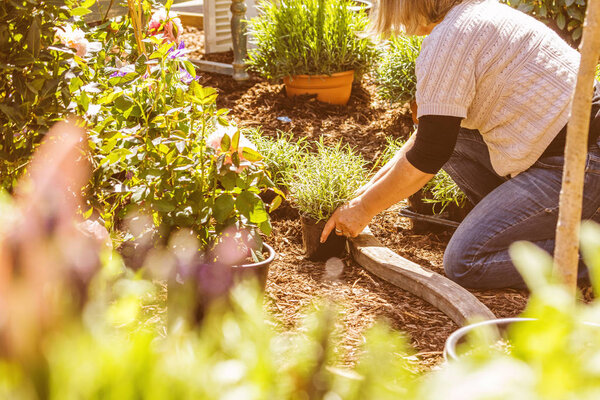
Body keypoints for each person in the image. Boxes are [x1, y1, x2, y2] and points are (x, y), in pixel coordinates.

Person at [320, 0, 600, 289]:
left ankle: (591, 256)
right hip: (578, 149)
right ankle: (530, 226)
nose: (397, 26)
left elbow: (427, 157)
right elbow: (428, 138)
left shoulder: (448, 41)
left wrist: (363, 210)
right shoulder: (480, 12)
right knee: (454, 136)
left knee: (465, 261)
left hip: (578, 165)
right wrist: (359, 199)